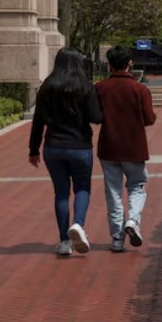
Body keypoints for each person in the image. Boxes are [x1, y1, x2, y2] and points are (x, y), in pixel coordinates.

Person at [28, 48, 103, 256]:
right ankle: (78, 224)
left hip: (53, 146)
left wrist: (33, 149)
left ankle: (63, 241)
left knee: (61, 192)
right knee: (82, 188)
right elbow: (96, 117)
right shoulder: (85, 87)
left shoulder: (48, 86)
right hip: (80, 146)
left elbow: (38, 121)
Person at [95, 45, 157, 253]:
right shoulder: (140, 90)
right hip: (134, 147)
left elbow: (95, 117)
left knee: (112, 192)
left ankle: (117, 237)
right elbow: (149, 119)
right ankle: (133, 220)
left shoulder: (100, 88)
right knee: (137, 186)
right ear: (130, 63)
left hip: (109, 146)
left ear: (109, 65)